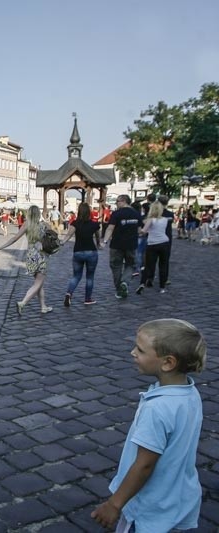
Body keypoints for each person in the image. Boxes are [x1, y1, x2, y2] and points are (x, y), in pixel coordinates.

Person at [92, 319, 205, 532]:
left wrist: (114, 504)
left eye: (140, 350)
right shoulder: (190, 393)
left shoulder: (158, 408)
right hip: (176, 498)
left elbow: (144, 464)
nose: (132, 352)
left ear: (168, 362)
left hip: (149, 507)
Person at [0, 205, 54, 315]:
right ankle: (23, 302)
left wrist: (0, 247)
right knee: (38, 283)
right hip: (41, 255)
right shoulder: (44, 225)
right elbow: (54, 236)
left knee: (39, 283)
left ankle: (43, 306)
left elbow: (14, 238)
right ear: (38, 214)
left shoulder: (27, 225)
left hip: (30, 255)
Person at [60, 202, 101, 306]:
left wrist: (62, 242)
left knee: (76, 276)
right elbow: (98, 238)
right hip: (91, 252)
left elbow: (68, 235)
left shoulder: (75, 223)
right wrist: (99, 244)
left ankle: (69, 293)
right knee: (90, 277)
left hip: (78, 252)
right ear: (89, 212)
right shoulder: (94, 224)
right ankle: (87, 299)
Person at [103, 194, 143, 299]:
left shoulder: (117, 214)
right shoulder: (136, 213)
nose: (116, 203)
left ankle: (119, 288)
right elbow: (140, 231)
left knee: (116, 266)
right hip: (131, 244)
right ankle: (125, 282)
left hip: (117, 244)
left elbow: (110, 228)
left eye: (117, 201)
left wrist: (105, 241)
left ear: (124, 201)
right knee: (130, 264)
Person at [136, 201, 171, 294]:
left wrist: (139, 230)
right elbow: (159, 230)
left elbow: (143, 231)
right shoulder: (165, 219)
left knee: (148, 266)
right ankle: (162, 287)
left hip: (152, 244)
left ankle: (142, 284)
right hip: (164, 242)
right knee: (163, 266)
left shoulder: (150, 219)